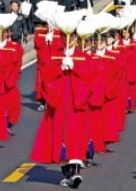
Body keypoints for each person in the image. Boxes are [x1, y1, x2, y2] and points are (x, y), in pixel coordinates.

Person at [31, 31, 93, 189]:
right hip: (59, 103)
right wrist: (59, 69)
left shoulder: (83, 57)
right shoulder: (54, 57)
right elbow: (45, 76)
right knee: (60, 135)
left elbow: (90, 78)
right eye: (66, 37)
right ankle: (69, 171)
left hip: (75, 104)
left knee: (76, 136)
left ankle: (75, 171)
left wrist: (75, 68)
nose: (69, 40)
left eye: (72, 37)